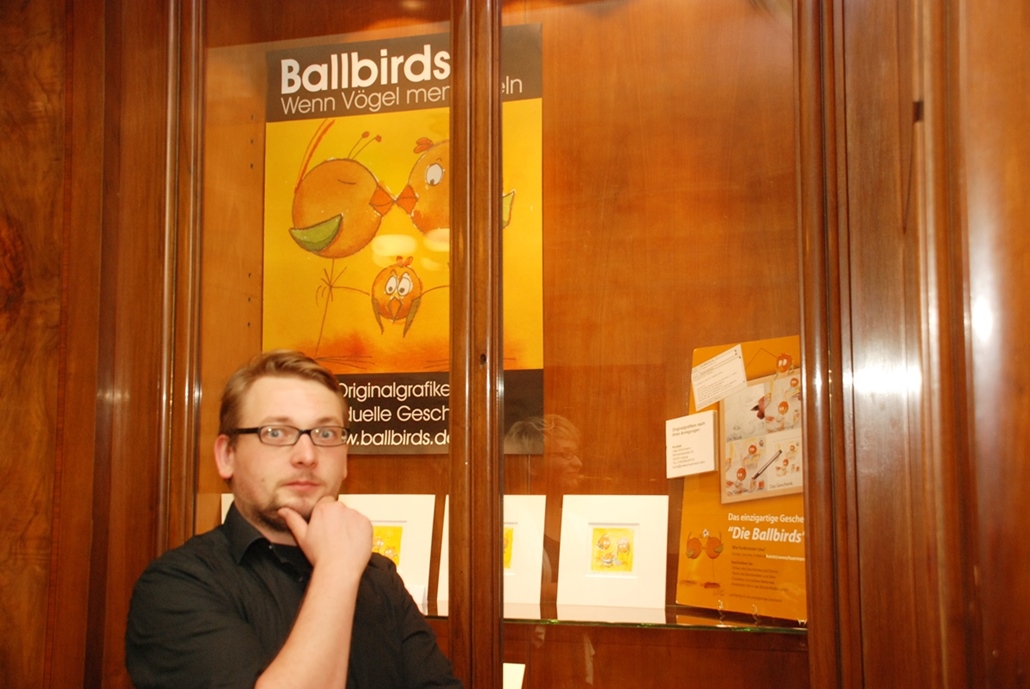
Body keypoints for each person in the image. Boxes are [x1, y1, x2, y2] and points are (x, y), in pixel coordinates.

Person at [125, 349, 462, 689]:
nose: (307, 455)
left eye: (326, 434)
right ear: (227, 455)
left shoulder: (378, 579)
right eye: (275, 433)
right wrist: (335, 572)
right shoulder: (177, 586)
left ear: (345, 459)